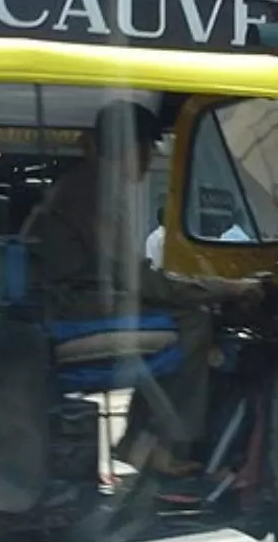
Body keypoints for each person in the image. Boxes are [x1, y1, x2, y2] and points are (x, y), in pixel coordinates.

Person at [22, 102, 262, 484]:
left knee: (175, 311)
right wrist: (213, 290)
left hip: (71, 299)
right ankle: (167, 446)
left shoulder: (87, 182)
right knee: (193, 321)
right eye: (148, 148)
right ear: (128, 148)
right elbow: (130, 274)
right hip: (75, 307)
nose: (150, 159)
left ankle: (140, 440)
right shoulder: (96, 188)